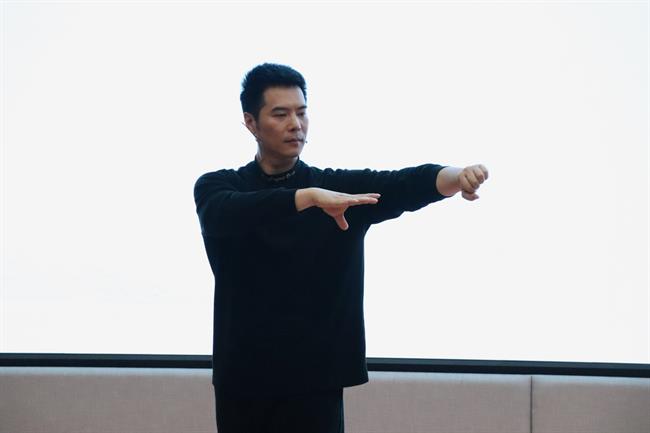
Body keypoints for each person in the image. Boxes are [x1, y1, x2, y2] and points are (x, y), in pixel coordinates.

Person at [193, 63, 488, 433]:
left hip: (315, 380)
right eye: (280, 114)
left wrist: (457, 176)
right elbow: (225, 214)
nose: (295, 124)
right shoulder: (218, 187)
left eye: (302, 113)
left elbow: (405, 184)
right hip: (245, 379)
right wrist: (306, 198)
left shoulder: (338, 192)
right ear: (251, 123)